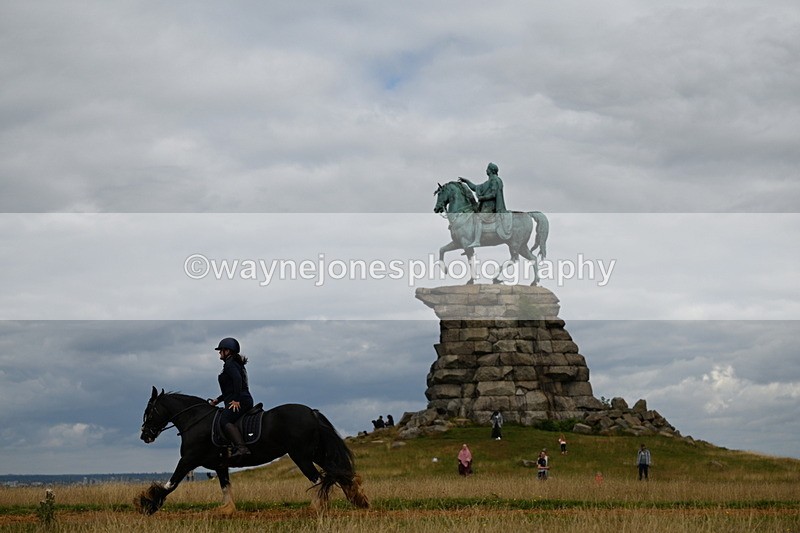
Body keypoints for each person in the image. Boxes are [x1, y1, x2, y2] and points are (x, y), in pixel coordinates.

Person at [207, 337, 253, 458]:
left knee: (224, 420)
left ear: (227, 351)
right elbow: (230, 389)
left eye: (220, 350)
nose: (219, 353)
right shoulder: (233, 363)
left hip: (241, 400)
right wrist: (218, 400)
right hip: (242, 398)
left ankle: (242, 448)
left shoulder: (230, 364)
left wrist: (237, 400)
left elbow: (237, 380)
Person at [458, 162, 508, 248]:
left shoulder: (495, 180)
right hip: (485, 207)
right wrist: (466, 181)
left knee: (478, 218)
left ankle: (477, 241)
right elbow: (475, 187)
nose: (486, 170)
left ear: (491, 170)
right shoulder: (488, 182)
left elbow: (494, 194)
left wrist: (482, 198)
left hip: (491, 207)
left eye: (487, 169)